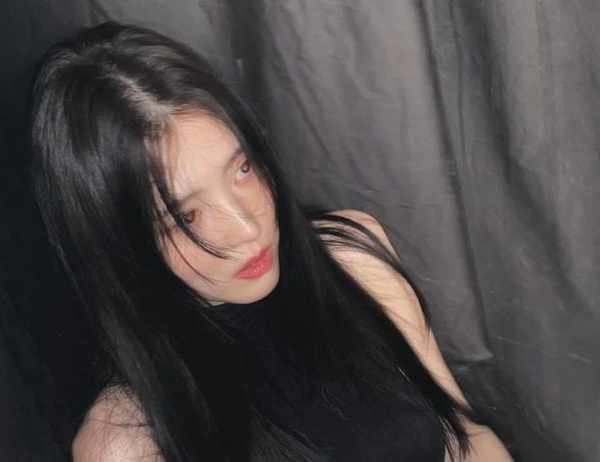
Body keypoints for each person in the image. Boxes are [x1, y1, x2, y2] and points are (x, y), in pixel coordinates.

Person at [28, 20, 513, 462]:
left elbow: (465, 438)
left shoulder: (353, 257)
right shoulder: (126, 441)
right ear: (120, 247)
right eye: (184, 216)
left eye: (242, 169)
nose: (247, 228)